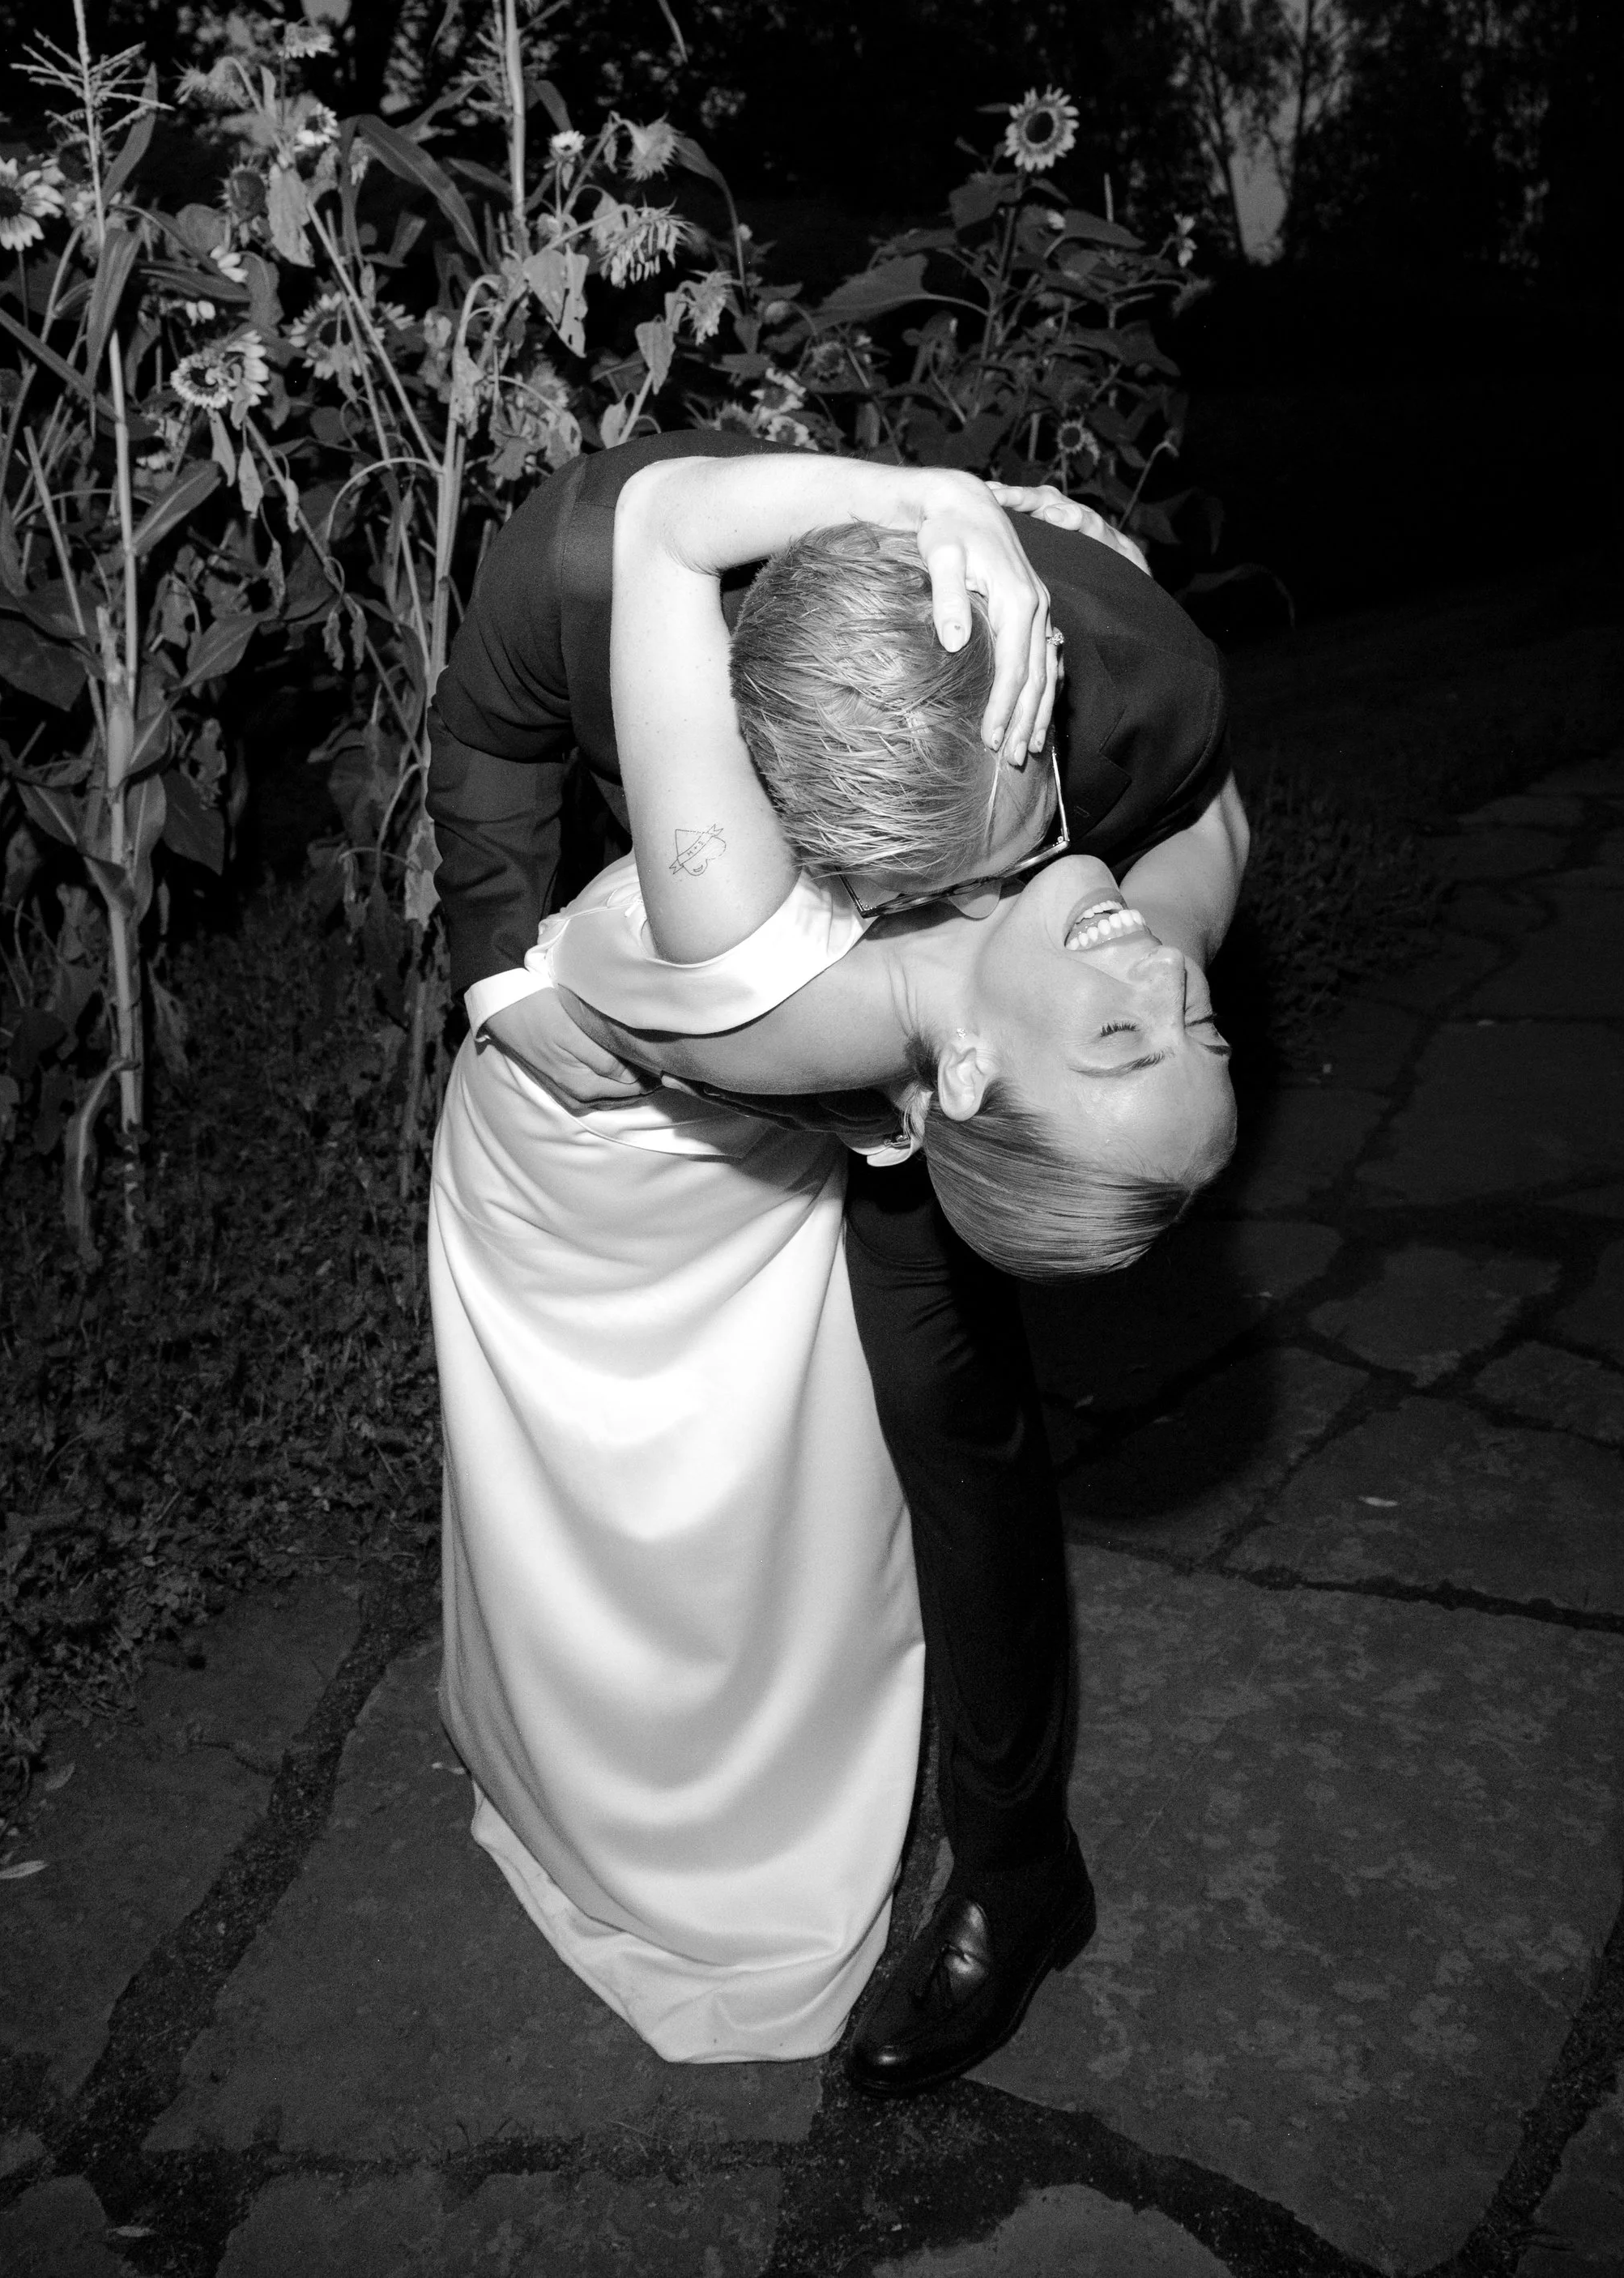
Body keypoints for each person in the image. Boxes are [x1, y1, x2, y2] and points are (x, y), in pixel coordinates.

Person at [428, 434, 1247, 2088]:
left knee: (951, 1432)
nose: (1157, 983)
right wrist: (950, 504)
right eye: (1185, 1020)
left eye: (1141, 1035)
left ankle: (1014, 1875)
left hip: (869, 1069)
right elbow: (529, 679)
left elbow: (1196, 815)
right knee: (700, 1482)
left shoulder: (1119, 760)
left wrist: (1029, 542)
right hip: (629, 1136)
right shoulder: (597, 584)